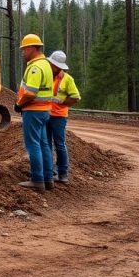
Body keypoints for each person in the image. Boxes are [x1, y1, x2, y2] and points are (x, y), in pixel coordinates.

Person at [14, 34, 54, 190]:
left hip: (33, 111)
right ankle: (48, 178)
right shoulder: (46, 65)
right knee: (44, 144)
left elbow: (30, 92)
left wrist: (19, 104)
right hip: (44, 111)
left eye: (24, 49)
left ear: (32, 48)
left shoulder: (35, 67)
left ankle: (37, 180)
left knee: (33, 145)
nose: (23, 52)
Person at [46, 50, 81, 184]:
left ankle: (63, 173)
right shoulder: (46, 76)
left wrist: (61, 101)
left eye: (52, 64)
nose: (50, 66)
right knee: (47, 144)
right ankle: (51, 172)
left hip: (59, 117)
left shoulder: (67, 79)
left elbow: (75, 98)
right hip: (45, 114)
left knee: (60, 145)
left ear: (59, 67)